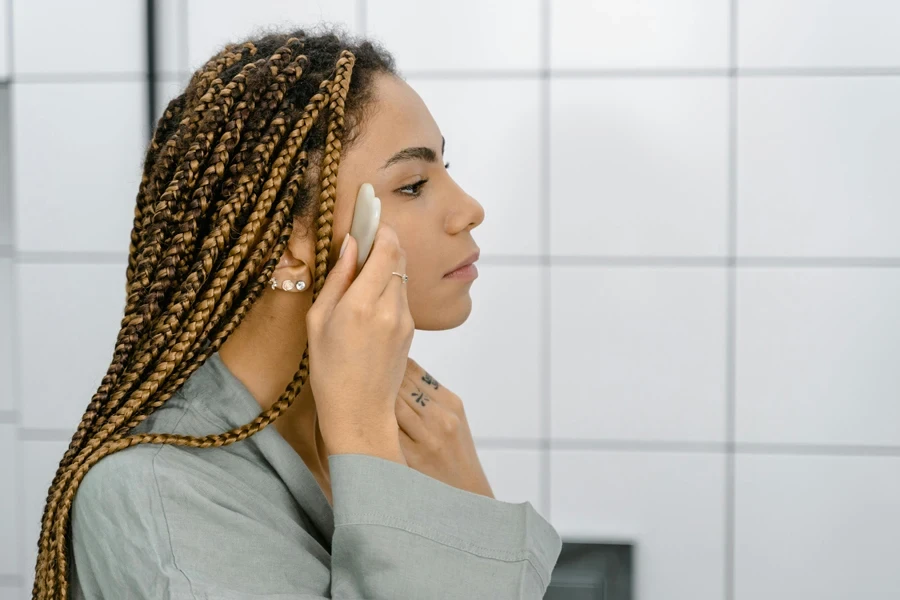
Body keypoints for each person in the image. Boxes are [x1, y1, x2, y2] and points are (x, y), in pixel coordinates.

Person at [30, 26, 562, 599]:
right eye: (413, 185)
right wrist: (382, 457)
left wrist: (463, 496)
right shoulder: (157, 495)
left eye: (445, 169)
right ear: (283, 241)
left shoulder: (385, 445)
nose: (469, 209)